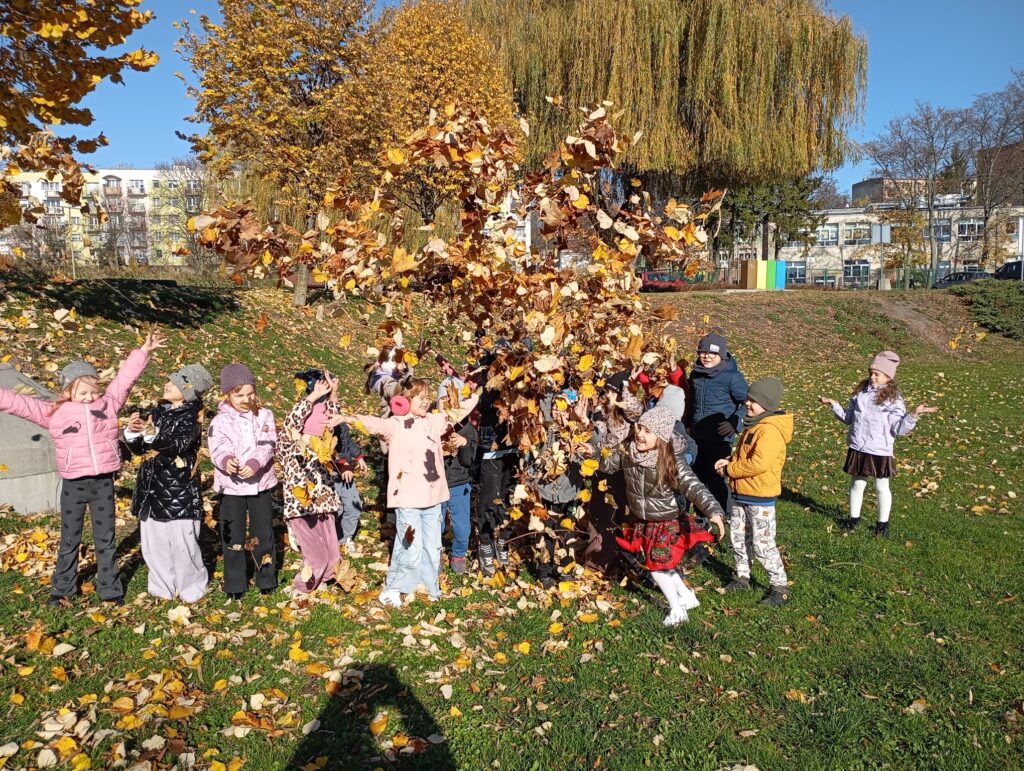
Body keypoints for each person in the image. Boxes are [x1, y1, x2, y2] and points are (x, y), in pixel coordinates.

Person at [0, 333, 162, 605]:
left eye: (93, 391)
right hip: (74, 485)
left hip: (102, 484)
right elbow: (18, 403)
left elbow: (125, 380)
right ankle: (63, 589)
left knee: (106, 541)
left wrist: (143, 351)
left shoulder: (108, 405)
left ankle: (110, 590)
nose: (89, 397)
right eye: (82, 392)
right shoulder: (53, 412)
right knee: (69, 540)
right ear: (66, 391)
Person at [338, 378, 480, 606]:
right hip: (408, 500)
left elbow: (457, 412)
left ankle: (428, 585)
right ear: (406, 400)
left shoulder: (434, 422)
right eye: (420, 398)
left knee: (433, 548)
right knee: (410, 546)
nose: (425, 402)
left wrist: (476, 394)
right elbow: (373, 424)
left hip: (434, 499)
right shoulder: (395, 425)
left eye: (427, 398)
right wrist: (346, 418)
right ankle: (394, 588)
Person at [601, 404, 726, 626]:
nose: (639, 434)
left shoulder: (671, 460)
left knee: (657, 568)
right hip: (643, 520)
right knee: (664, 565)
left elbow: (693, 486)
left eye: (647, 431)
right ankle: (687, 597)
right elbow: (606, 464)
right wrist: (591, 451)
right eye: (639, 428)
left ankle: (677, 610)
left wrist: (713, 511)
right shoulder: (628, 451)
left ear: (660, 436)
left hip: (666, 521)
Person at [819, 351, 938, 537]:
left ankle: (882, 526)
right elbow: (848, 418)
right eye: (871, 372)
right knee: (857, 485)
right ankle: (853, 521)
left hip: (880, 450)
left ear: (889, 377)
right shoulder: (861, 394)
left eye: (877, 374)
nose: (872, 377)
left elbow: (899, 429)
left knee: (881, 488)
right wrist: (833, 404)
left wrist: (914, 414)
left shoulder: (893, 399)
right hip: (858, 447)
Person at [123, 363, 214, 603]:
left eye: (174, 383)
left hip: (178, 490)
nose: (167, 384)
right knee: (154, 543)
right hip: (151, 487)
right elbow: (141, 449)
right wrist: (133, 433)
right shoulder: (158, 411)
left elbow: (177, 445)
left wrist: (152, 433)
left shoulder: (191, 417)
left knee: (183, 542)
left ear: (189, 390)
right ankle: (161, 586)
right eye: (169, 380)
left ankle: (191, 587)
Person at [714, 377, 794, 606]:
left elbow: (758, 464)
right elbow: (745, 457)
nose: (748, 404)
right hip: (741, 493)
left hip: (760, 497)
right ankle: (742, 576)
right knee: (739, 537)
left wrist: (729, 469)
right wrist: (729, 460)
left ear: (767, 405)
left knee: (762, 543)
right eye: (748, 399)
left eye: (753, 401)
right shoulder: (755, 425)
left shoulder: (768, 431)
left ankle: (780, 587)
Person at [208, 363, 278, 600]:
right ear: (227, 394)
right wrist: (227, 461)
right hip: (231, 486)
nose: (246, 399)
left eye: (250, 393)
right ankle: (235, 582)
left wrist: (255, 463)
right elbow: (218, 446)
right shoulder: (220, 421)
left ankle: (265, 576)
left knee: (263, 531)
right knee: (232, 534)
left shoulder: (264, 415)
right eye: (239, 395)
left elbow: (268, 443)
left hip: (261, 483)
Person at [277, 370, 345, 593]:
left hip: (323, 503)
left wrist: (333, 394)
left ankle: (323, 581)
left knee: (333, 555)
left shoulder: (323, 448)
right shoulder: (291, 443)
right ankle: (301, 586)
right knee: (316, 557)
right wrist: (312, 396)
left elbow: (332, 421)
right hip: (302, 508)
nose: (326, 427)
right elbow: (292, 421)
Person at [687, 332, 748, 511]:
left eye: (712, 354)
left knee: (715, 477)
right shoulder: (696, 374)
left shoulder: (732, 377)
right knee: (696, 477)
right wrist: (689, 424)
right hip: (698, 436)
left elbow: (747, 403)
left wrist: (734, 423)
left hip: (720, 437)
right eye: (702, 353)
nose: (706, 357)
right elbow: (692, 402)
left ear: (721, 355)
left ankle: (728, 512)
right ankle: (701, 518)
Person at [439, 382, 478, 575]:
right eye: (443, 401)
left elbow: (469, 461)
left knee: (462, 525)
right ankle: (434, 553)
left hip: (458, 483)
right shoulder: (432, 423)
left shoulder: (468, 429)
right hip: (435, 483)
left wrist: (464, 444)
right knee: (435, 523)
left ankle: (459, 554)